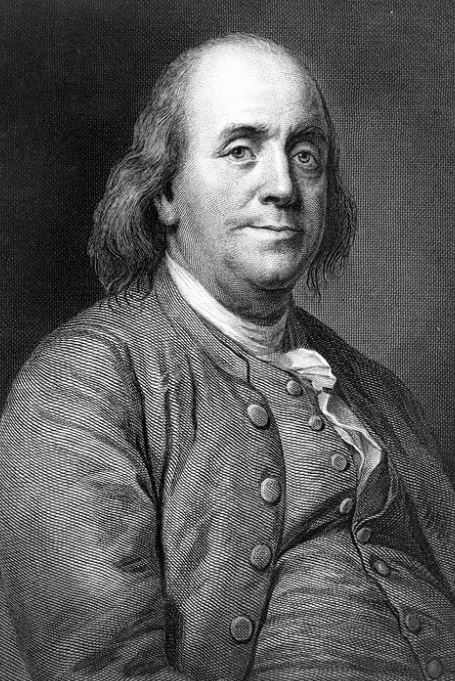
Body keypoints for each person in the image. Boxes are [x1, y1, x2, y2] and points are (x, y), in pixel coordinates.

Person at [1, 32, 454, 681]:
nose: (283, 187)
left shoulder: (375, 390)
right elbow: (103, 665)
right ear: (165, 192)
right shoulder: (80, 381)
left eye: (305, 154)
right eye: (241, 151)